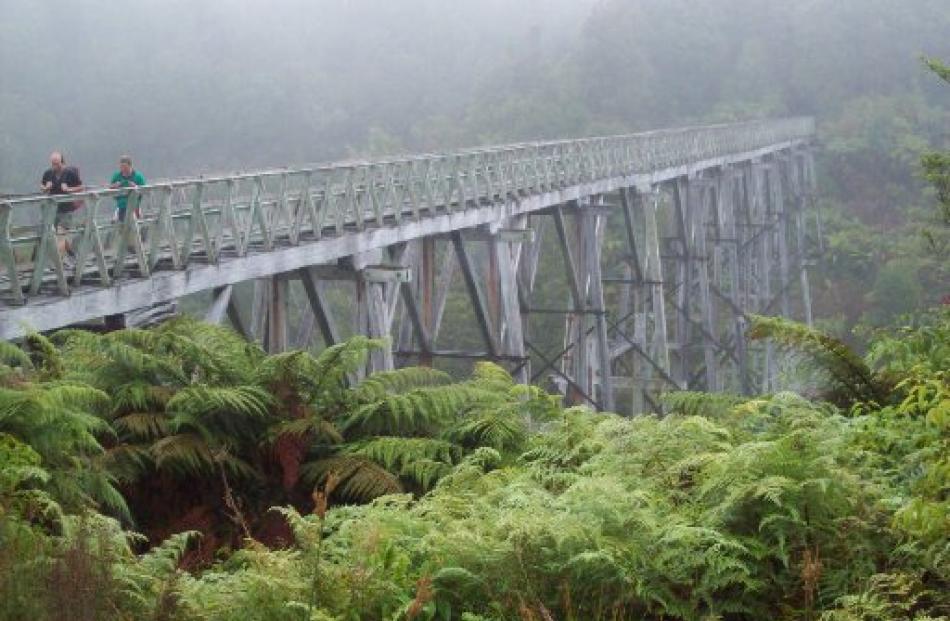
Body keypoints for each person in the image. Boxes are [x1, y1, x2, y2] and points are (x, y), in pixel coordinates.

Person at [40, 151, 84, 256]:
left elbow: (81, 187)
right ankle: (70, 252)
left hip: (66, 210)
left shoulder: (70, 172)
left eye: (57, 163)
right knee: (50, 235)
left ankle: (58, 263)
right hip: (52, 210)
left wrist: (69, 189)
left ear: (62, 162)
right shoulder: (48, 173)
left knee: (61, 235)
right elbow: (41, 186)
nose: (54, 166)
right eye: (52, 163)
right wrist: (45, 188)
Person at [109, 155, 146, 222]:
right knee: (118, 223)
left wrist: (136, 187)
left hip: (134, 206)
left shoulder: (138, 177)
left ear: (130, 166)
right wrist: (114, 187)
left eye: (125, 167)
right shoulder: (116, 176)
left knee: (136, 223)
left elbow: (145, 191)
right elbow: (110, 190)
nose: (123, 170)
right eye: (121, 167)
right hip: (121, 206)